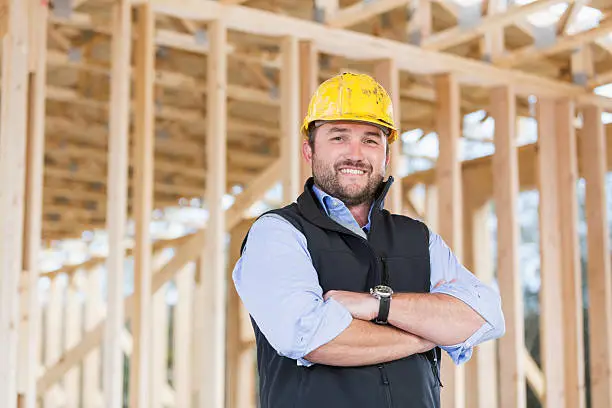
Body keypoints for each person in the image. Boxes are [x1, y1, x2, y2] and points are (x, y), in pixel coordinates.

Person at [232, 72, 505, 408]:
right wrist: (427, 333)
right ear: (309, 150)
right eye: (339, 137)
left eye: (371, 140)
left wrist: (377, 305)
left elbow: (485, 315)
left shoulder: (419, 238)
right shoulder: (278, 233)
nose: (355, 153)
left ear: (386, 155)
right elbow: (310, 337)